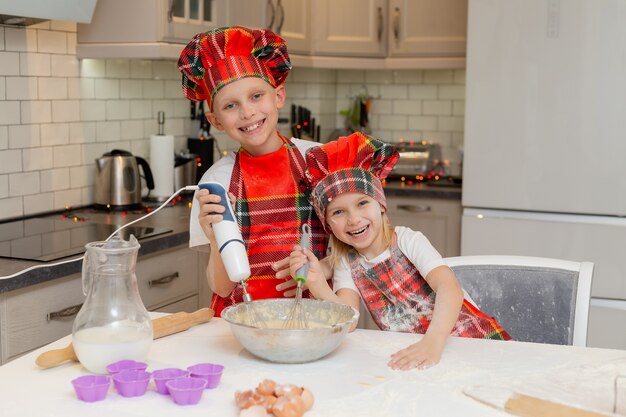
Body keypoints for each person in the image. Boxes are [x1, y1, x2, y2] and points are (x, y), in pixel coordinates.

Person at [289, 132, 511, 371]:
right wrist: (318, 285)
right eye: (338, 212)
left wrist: (433, 342)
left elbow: (450, 289)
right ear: (328, 224)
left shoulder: (407, 240)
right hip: (418, 354)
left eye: (362, 203)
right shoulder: (346, 262)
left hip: (472, 342)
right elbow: (349, 319)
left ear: (381, 206)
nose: (353, 219)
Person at [178, 26, 328, 316]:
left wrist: (325, 266)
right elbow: (221, 288)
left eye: (256, 96)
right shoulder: (216, 183)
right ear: (215, 119)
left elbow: (356, 250)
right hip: (241, 324)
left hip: (314, 321)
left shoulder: (320, 161)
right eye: (231, 105)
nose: (247, 112)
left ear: (278, 96)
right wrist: (213, 237)